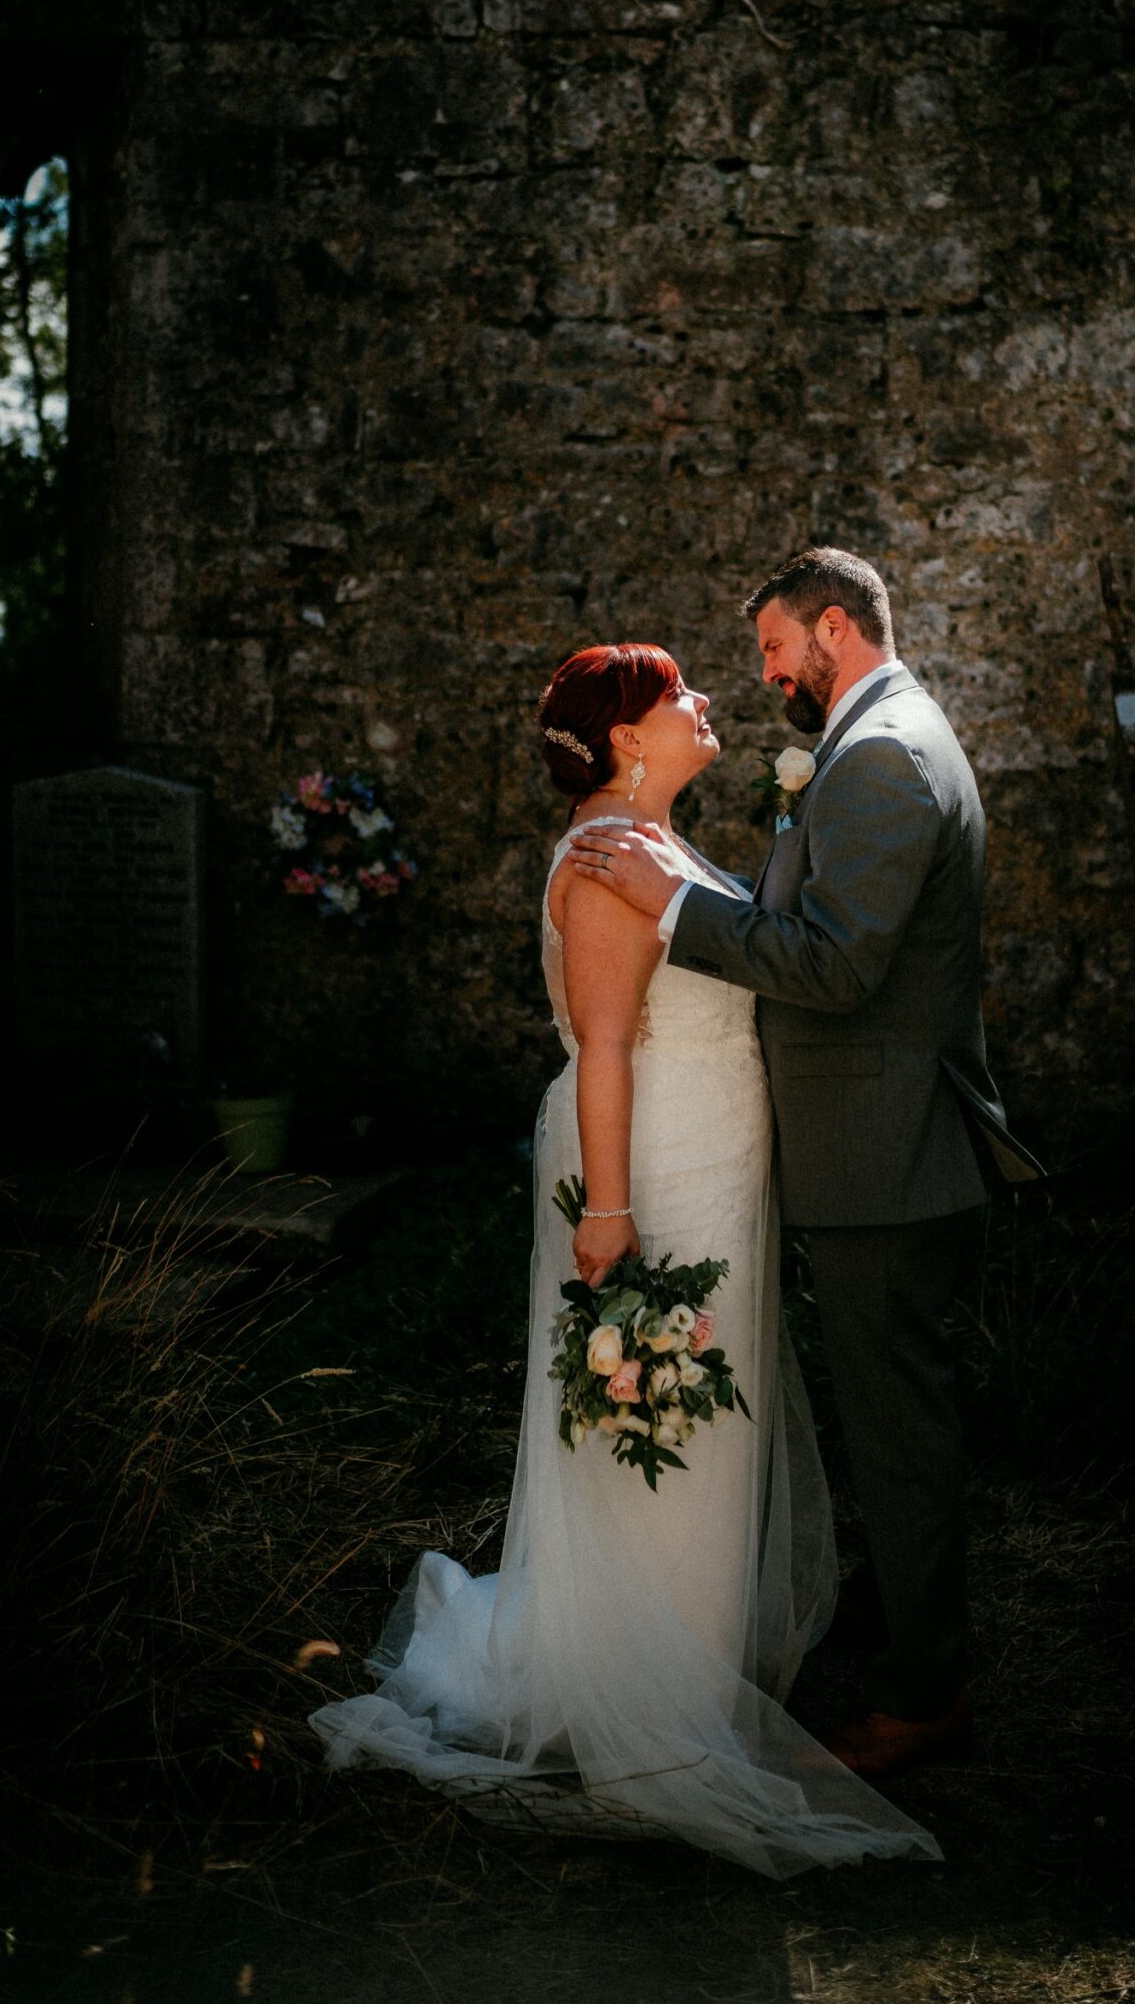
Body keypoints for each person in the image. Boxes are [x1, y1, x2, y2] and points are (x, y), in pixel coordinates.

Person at [310, 641, 938, 1876]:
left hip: (708, 1158)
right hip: (642, 1170)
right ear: (625, 738)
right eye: (678, 695)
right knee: (657, 1413)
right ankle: (641, 1695)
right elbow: (604, 1046)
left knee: (705, 1417)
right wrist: (607, 1218)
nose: (708, 701)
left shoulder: (654, 837)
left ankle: (680, 1660)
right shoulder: (601, 860)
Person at [570, 549, 1044, 1781]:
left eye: (778, 646)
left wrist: (678, 908)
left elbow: (837, 964)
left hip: (888, 1155)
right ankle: (907, 1626)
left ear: (835, 626)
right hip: (878, 1148)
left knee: (901, 1430)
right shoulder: (867, 738)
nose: (767, 671)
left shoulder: (883, 753)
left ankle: (924, 1695)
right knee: (892, 1417)